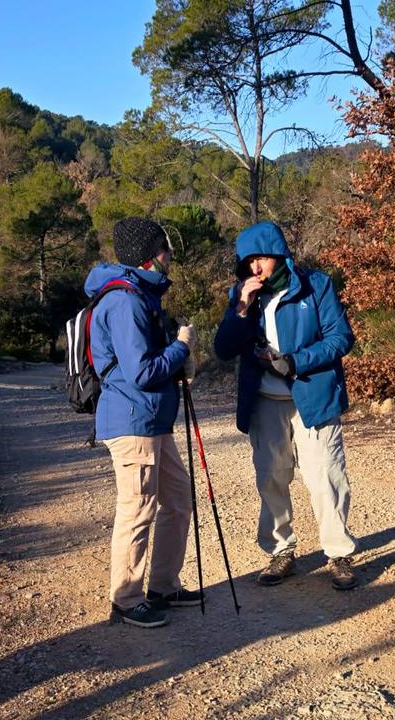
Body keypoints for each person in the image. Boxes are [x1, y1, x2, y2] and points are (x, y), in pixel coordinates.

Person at [214, 220, 358, 591]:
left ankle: (339, 554)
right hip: (264, 401)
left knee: (326, 475)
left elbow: (341, 337)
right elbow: (223, 349)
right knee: (270, 476)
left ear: (279, 254)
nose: (255, 267)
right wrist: (241, 308)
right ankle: (281, 551)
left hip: (313, 394)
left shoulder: (316, 285)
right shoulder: (243, 294)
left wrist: (294, 362)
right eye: (248, 262)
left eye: (261, 258)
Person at [84, 216, 200, 627]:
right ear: (149, 256)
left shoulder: (140, 295)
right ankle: (126, 598)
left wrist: (178, 361)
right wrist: (182, 348)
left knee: (178, 499)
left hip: (151, 420)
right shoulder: (126, 301)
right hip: (134, 420)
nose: (170, 254)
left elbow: (149, 364)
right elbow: (143, 372)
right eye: (165, 247)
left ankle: (163, 586)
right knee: (137, 508)